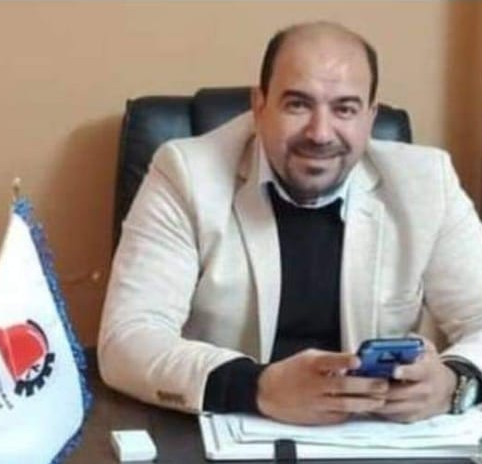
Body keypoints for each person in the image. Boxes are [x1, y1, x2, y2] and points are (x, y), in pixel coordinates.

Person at [98, 21, 482, 426]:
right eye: (298, 104)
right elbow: (128, 339)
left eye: (345, 109)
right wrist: (258, 387)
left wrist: (454, 381)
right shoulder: (186, 174)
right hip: (229, 430)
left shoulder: (426, 184)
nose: (320, 133)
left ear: (370, 117)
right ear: (259, 105)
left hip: (373, 437)